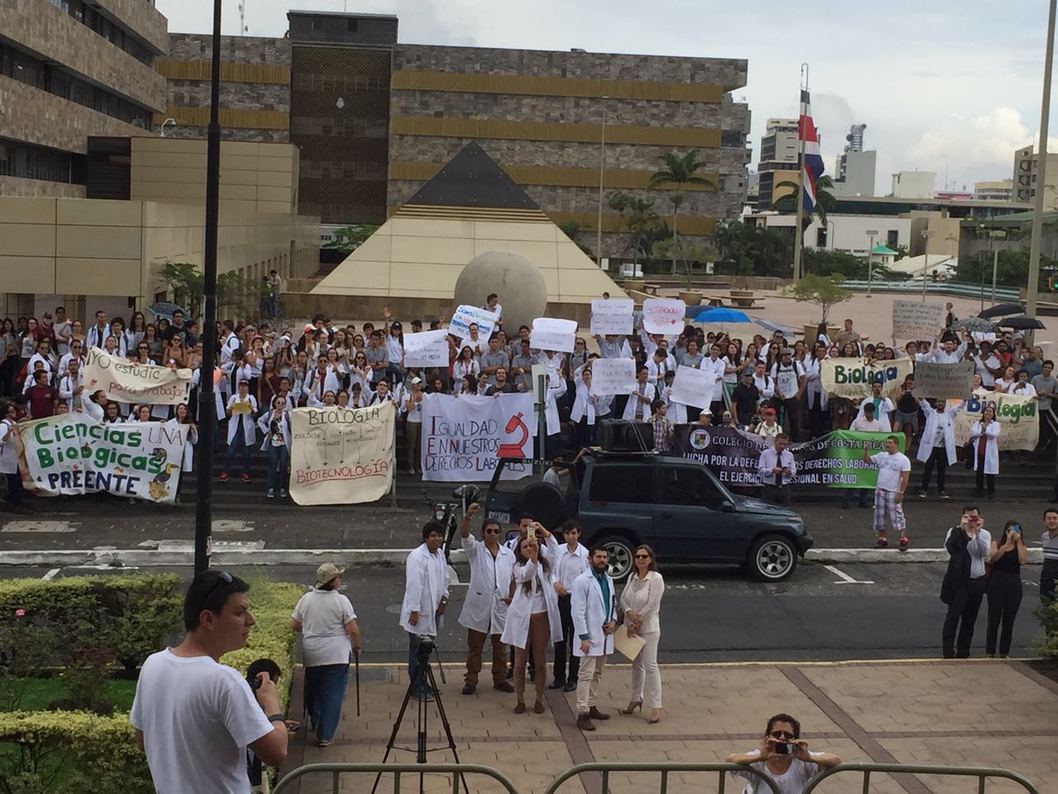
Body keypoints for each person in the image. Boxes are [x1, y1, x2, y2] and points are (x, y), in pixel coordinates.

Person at [130, 570, 288, 793]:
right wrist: (273, 705)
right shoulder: (224, 681)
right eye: (240, 612)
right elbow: (277, 753)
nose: (250, 621)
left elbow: (142, 741)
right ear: (208, 619)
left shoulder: (152, 665)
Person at [292, 563, 360, 747]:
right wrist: (357, 647)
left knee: (314, 688)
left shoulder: (306, 599)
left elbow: (295, 625)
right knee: (332, 693)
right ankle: (325, 735)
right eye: (338, 577)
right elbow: (353, 630)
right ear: (332, 581)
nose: (340, 580)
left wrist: (310, 628)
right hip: (337, 654)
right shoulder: (341, 601)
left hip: (312, 652)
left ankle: (316, 721)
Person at [500, 522, 563, 714]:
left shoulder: (546, 565)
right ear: (520, 551)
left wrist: (541, 529)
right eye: (525, 546)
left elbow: (553, 546)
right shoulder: (518, 566)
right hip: (521, 617)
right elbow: (525, 576)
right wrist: (533, 560)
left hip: (541, 616)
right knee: (519, 662)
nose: (529, 548)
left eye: (532, 545)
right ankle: (520, 698)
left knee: (541, 660)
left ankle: (538, 698)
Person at [457, 503, 515, 695]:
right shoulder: (476, 550)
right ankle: (471, 679)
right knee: (475, 646)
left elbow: (514, 577)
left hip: (500, 605)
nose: (492, 534)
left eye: (496, 531)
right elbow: (465, 535)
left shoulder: (508, 554)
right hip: (479, 604)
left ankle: (500, 678)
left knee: (500, 647)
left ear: (500, 533)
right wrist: (468, 517)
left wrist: (512, 595)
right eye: (488, 531)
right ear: (483, 533)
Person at [726, 713, 841, 793]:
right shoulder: (759, 759)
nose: (782, 738)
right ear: (767, 737)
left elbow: (836, 760)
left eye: (788, 735)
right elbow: (731, 760)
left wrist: (810, 757)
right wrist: (760, 756)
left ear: (796, 739)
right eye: (776, 734)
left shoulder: (801, 758)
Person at [399, 521, 449, 699]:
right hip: (419, 613)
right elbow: (414, 584)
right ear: (425, 538)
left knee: (426, 650)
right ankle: (415, 686)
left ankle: (423, 682)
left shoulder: (440, 554)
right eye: (433, 536)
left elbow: (445, 577)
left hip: (433, 610)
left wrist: (444, 597)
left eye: (439, 536)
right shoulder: (417, 557)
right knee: (417, 649)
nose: (436, 539)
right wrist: (414, 610)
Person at [571, 544, 617, 732]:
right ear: (590, 559)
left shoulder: (608, 579)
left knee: (597, 674)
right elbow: (577, 611)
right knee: (585, 674)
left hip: (605, 634)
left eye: (605, 557)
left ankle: (591, 704)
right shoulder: (582, 581)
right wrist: (584, 636)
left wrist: (613, 621)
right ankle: (582, 712)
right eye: (598, 557)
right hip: (589, 636)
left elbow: (612, 603)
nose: (602, 561)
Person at [619, 544, 665, 724]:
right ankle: (635, 697)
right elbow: (623, 598)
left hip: (649, 629)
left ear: (650, 559)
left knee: (650, 665)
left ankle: (656, 705)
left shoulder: (656, 578)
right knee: (636, 664)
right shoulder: (632, 576)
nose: (640, 559)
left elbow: (652, 604)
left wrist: (636, 621)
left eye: (644, 556)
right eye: (637, 556)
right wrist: (629, 613)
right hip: (631, 626)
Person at [941, 506, 991, 658]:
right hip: (960, 581)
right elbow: (950, 548)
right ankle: (948, 651)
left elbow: (985, 553)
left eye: (974, 517)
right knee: (953, 616)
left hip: (978, 580)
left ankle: (964, 651)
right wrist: (963, 529)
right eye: (968, 517)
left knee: (970, 618)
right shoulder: (955, 531)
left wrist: (976, 533)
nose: (971, 520)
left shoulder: (984, 534)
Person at [550, 519, 589, 693]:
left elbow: (586, 579)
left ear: (578, 534)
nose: (570, 537)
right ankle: (558, 677)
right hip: (560, 598)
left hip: (576, 600)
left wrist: (571, 590)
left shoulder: (585, 555)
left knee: (575, 639)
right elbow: (550, 570)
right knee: (560, 638)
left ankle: (573, 678)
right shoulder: (558, 551)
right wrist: (555, 583)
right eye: (567, 533)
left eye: (573, 533)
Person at [986, 521, 1027, 658]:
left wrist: (1018, 541)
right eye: (1010, 531)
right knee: (994, 619)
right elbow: (994, 558)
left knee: (1008, 620)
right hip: (997, 582)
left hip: (1013, 583)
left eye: (1015, 531)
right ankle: (990, 651)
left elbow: (1022, 560)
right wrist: (1007, 543)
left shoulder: (1021, 546)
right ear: (1005, 531)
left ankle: (1004, 652)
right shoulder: (996, 544)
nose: (1013, 533)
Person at [861, 435, 911, 549]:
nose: (887, 445)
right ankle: (882, 538)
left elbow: (905, 477)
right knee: (879, 515)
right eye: (887, 443)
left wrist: (901, 492)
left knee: (897, 515)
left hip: (893, 490)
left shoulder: (903, 459)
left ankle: (903, 538)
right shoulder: (881, 456)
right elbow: (866, 461)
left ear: (896, 444)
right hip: (880, 489)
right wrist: (866, 449)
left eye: (890, 443)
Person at [917, 398, 962, 500]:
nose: (941, 403)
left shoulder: (949, 414)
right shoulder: (930, 413)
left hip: (943, 447)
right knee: (928, 468)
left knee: (942, 470)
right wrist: (921, 398)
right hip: (931, 446)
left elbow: (958, 407)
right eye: (939, 402)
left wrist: (965, 400)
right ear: (936, 403)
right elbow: (924, 405)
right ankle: (924, 489)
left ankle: (941, 490)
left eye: (943, 402)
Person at [221, 380, 258, 482]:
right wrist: (233, 407)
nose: (243, 387)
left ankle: (245, 472)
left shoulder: (251, 398)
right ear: (238, 387)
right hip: (235, 426)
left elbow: (255, 415)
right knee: (230, 450)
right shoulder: (233, 398)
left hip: (246, 426)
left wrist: (250, 408)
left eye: (245, 386)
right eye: (241, 385)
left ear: (247, 387)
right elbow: (227, 413)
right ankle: (225, 471)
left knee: (246, 452)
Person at [258, 396, 290, 499]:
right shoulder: (270, 413)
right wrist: (267, 431)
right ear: (275, 403)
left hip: (284, 444)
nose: (280, 405)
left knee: (283, 466)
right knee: (272, 465)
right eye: (278, 402)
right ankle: (271, 487)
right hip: (273, 443)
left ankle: (282, 488)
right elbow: (260, 421)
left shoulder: (288, 415)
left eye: (282, 403)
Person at [0, 401, 26, 514]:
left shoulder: (14, 423)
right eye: (11, 411)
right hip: (9, 458)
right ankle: (15, 504)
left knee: (17, 481)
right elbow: (2, 441)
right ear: (6, 414)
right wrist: (9, 432)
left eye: (15, 410)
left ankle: (17, 502)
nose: (14, 412)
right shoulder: (3, 425)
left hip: (16, 457)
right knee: (13, 482)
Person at [970, 406, 1000, 499]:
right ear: (983, 413)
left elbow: (994, 434)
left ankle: (991, 492)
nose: (988, 413)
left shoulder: (995, 424)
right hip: (979, 450)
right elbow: (974, 433)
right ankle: (979, 491)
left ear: (993, 414)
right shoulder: (977, 423)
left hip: (989, 452)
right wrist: (982, 430)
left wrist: (984, 430)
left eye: (991, 411)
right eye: (987, 411)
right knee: (979, 472)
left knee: (990, 473)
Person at [757, 433, 795, 506]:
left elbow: (794, 472)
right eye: (780, 443)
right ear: (775, 441)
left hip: (784, 488)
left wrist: (789, 472)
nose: (782, 446)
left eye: (784, 444)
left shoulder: (789, 455)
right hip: (769, 488)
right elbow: (760, 470)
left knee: (785, 511)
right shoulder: (765, 454)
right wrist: (772, 470)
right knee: (767, 511)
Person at [1041, 508, 1058, 604]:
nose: (1052, 521)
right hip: (1046, 577)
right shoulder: (1044, 536)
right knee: (1045, 608)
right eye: (1049, 518)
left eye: (1055, 518)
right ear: (1044, 521)